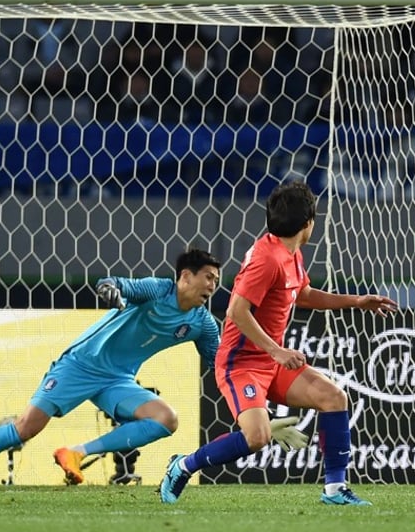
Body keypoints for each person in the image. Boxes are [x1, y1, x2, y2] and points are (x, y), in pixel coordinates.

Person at [0, 249, 305, 487]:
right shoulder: (158, 289)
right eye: (207, 278)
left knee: (166, 419)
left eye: (217, 281)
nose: (212, 287)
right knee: (24, 429)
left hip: (117, 380)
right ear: (184, 276)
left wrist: (258, 415)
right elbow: (116, 283)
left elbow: (224, 369)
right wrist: (112, 291)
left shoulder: (203, 324)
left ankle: (75, 453)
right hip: (81, 365)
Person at [160, 181, 398, 506]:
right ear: (308, 224)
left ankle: (335, 490)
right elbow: (236, 311)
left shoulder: (290, 254)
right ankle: (183, 465)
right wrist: (276, 349)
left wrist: (356, 301)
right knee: (257, 438)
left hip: (271, 364)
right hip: (241, 364)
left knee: (333, 397)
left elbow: (304, 295)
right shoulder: (267, 259)